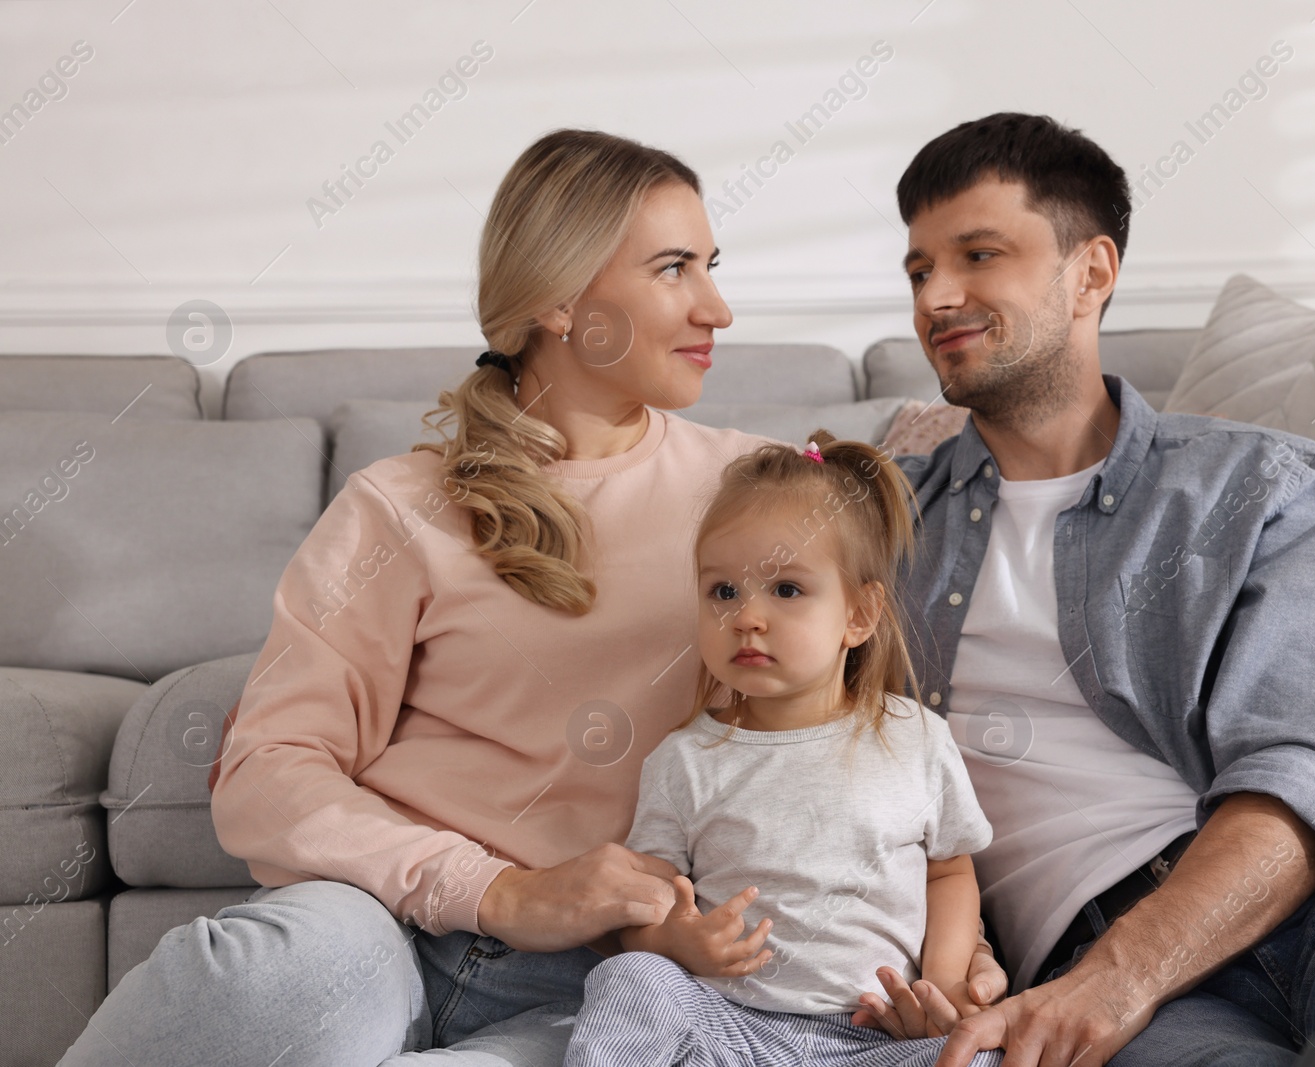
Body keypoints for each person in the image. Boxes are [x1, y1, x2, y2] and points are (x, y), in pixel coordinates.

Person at [55, 130, 1006, 1067]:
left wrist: (949, 957)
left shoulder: (752, 503)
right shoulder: (400, 504)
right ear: (559, 298)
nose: (717, 305)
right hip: (379, 923)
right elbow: (267, 767)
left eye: (712, 265)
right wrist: (498, 890)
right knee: (262, 988)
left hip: (609, 978)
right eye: (674, 268)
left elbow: (856, 746)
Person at [854, 112, 1315, 1067]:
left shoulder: (1269, 485)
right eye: (919, 269)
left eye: (978, 254)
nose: (936, 297)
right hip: (1089, 954)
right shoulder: (879, 522)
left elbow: (1298, 773)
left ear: (1092, 271)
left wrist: (1119, 977)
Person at [563, 432, 1004, 1067]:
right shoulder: (685, 760)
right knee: (630, 983)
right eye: (723, 592)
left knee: (976, 1058)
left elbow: (950, 870)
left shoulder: (913, 736)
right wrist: (673, 942)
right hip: (728, 1025)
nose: (747, 617)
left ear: (858, 614)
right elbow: (643, 905)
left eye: (787, 590)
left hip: (870, 1034)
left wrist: (943, 988)